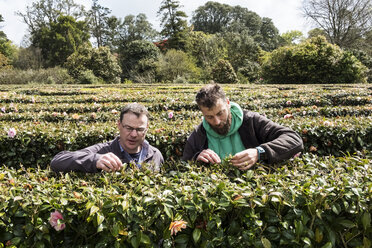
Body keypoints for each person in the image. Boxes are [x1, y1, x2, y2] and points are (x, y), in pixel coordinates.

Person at [182, 83, 303, 170]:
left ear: (228, 103)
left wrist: (259, 152)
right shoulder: (199, 134)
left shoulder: (251, 121)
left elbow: (293, 139)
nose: (217, 121)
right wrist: (196, 158)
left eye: (220, 113)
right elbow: (183, 164)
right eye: (209, 117)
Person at [51, 103, 164, 173]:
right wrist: (95, 160)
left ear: (147, 128)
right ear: (119, 125)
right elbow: (58, 161)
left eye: (139, 129)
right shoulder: (103, 151)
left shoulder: (155, 155)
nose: (134, 134)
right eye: (128, 128)